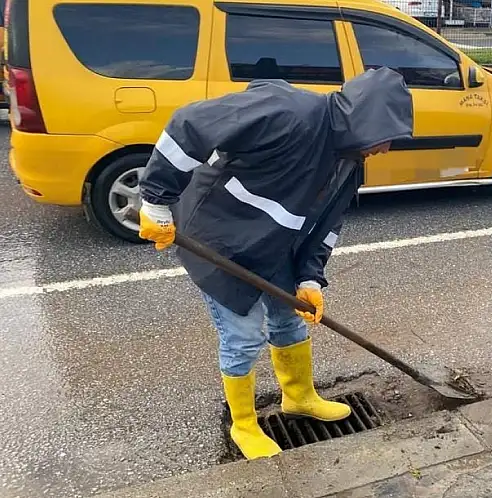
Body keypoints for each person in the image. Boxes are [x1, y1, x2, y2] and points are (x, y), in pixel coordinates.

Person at [136, 67, 414, 459]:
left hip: (275, 246)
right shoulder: (287, 112)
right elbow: (190, 124)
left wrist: (311, 278)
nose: (384, 150)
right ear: (365, 120)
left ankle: (299, 397)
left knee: (288, 319)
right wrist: (155, 199)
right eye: (386, 138)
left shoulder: (349, 160)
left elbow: (325, 227)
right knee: (244, 335)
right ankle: (244, 425)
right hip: (218, 240)